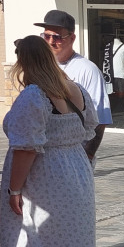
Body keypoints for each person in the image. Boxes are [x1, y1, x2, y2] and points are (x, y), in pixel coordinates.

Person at [0, 36, 98, 247]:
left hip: (45, 177)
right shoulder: (75, 89)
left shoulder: (34, 95)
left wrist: (15, 189)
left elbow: (26, 148)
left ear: (24, 62)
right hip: (76, 171)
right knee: (71, 242)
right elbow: (91, 127)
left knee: (43, 242)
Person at [36, 10, 111, 160]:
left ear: (72, 38)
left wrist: (88, 156)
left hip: (73, 156)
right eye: (46, 36)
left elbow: (100, 119)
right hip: (43, 157)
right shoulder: (39, 67)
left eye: (57, 37)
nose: (51, 41)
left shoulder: (87, 69)